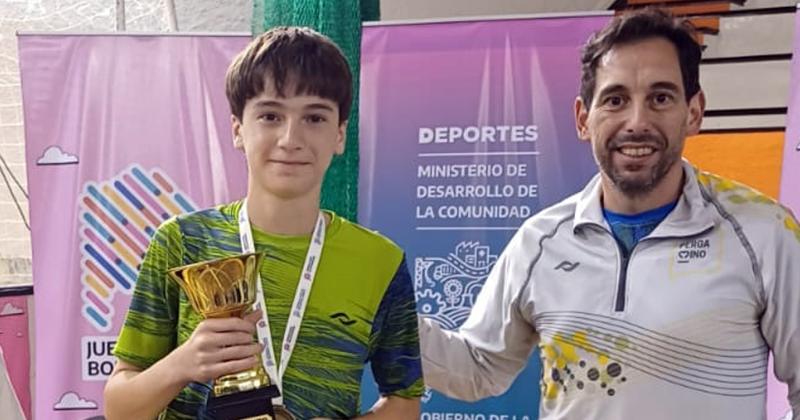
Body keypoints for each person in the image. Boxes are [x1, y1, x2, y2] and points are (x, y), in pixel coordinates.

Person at [419, 8, 799, 420]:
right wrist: (376, 313)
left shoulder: (764, 232)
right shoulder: (540, 241)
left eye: (660, 98)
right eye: (616, 100)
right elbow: (478, 369)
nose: (637, 122)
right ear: (584, 118)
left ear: (693, 112)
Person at [104, 26, 423, 419]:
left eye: (315, 118)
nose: (291, 138)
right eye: (271, 115)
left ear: (340, 134)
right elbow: (119, 407)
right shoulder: (183, 242)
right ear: (238, 129)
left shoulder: (380, 260)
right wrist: (182, 363)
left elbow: (404, 398)